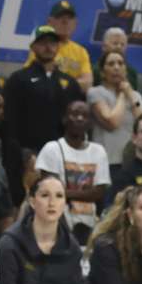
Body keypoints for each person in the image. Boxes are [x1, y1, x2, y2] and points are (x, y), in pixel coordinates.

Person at [0, 174, 84, 284]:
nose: (52, 203)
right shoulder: (9, 245)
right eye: (45, 195)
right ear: (32, 201)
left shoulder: (72, 248)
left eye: (59, 196)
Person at [35, 100, 111, 240]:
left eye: (85, 115)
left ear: (90, 123)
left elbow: (99, 193)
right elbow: (51, 191)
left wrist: (65, 192)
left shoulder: (99, 151)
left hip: (90, 224)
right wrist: (85, 193)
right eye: (75, 114)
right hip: (57, 223)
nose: (80, 118)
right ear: (64, 119)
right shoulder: (52, 149)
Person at [4, 25, 85, 152]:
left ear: (58, 47)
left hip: (62, 153)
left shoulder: (70, 83)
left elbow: (77, 122)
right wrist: (20, 152)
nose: (48, 47)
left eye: (52, 42)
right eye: (42, 42)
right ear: (33, 46)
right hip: (27, 153)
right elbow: (9, 121)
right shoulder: (18, 79)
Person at [90, 50, 142, 169]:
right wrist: (122, 95)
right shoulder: (96, 92)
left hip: (133, 160)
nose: (116, 67)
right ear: (102, 72)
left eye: (120, 63)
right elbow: (112, 122)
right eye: (111, 64)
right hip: (107, 161)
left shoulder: (135, 95)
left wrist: (130, 94)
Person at [26, 0, 94, 92]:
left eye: (69, 18)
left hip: (72, 101)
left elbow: (87, 84)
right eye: (60, 17)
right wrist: (71, 85)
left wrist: (57, 85)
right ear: (50, 21)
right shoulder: (41, 47)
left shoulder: (81, 51)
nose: (65, 21)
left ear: (75, 23)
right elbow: (30, 80)